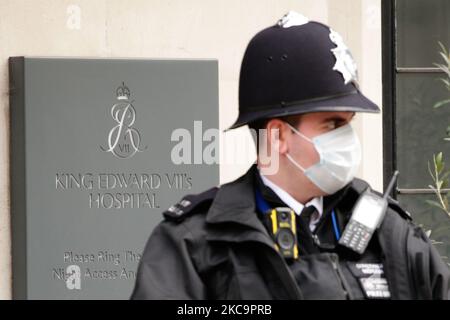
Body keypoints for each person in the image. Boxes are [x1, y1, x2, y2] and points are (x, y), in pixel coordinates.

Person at [130, 11, 450, 300]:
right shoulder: (194, 245)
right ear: (279, 136)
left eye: (349, 123)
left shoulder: (390, 234)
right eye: (333, 124)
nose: (349, 139)